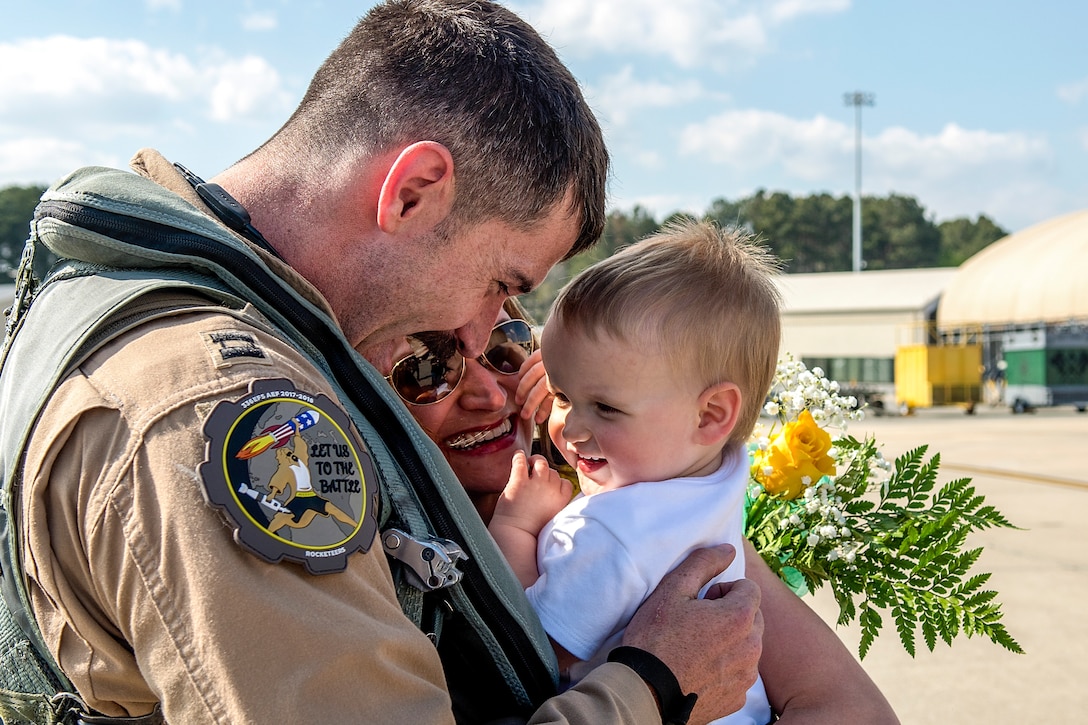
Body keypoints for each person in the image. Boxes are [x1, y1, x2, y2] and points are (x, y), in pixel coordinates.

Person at [0, 2, 765, 724]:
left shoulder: (156, 305)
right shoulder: (222, 417)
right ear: (414, 192)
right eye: (500, 281)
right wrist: (653, 683)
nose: (477, 340)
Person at [391, 297, 899, 724]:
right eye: (428, 368)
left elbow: (854, 710)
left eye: (506, 347)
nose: (487, 392)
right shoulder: (377, 570)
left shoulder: (640, 514)